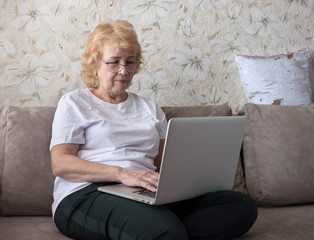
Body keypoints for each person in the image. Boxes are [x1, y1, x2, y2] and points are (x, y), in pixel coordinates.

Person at [50, 19, 257, 240]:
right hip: (87, 194)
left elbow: (165, 163)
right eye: (114, 62)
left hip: (142, 191)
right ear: (94, 65)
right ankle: (164, 230)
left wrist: (191, 178)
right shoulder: (75, 102)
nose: (124, 70)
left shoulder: (149, 107)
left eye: (130, 62)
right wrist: (122, 174)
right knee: (165, 229)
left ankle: (163, 231)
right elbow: (60, 163)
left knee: (240, 206)